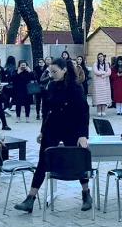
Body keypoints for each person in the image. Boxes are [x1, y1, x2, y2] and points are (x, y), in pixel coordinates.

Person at [15, 58, 91, 213]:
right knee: (43, 161)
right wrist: (42, 131)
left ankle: (86, 193)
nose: (52, 74)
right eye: (50, 71)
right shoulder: (51, 85)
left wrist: (83, 135)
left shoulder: (75, 88)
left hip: (72, 129)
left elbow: (84, 112)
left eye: (54, 71)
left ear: (64, 70)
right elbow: (46, 111)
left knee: (77, 160)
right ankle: (30, 198)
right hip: (53, 128)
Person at [92, 53, 112, 117]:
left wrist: (104, 74)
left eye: (101, 56)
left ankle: (103, 110)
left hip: (105, 83)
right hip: (98, 84)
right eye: (99, 57)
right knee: (98, 98)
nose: (100, 58)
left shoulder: (107, 64)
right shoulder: (95, 64)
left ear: (103, 57)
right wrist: (103, 73)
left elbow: (109, 72)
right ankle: (98, 111)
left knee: (104, 98)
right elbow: (96, 72)